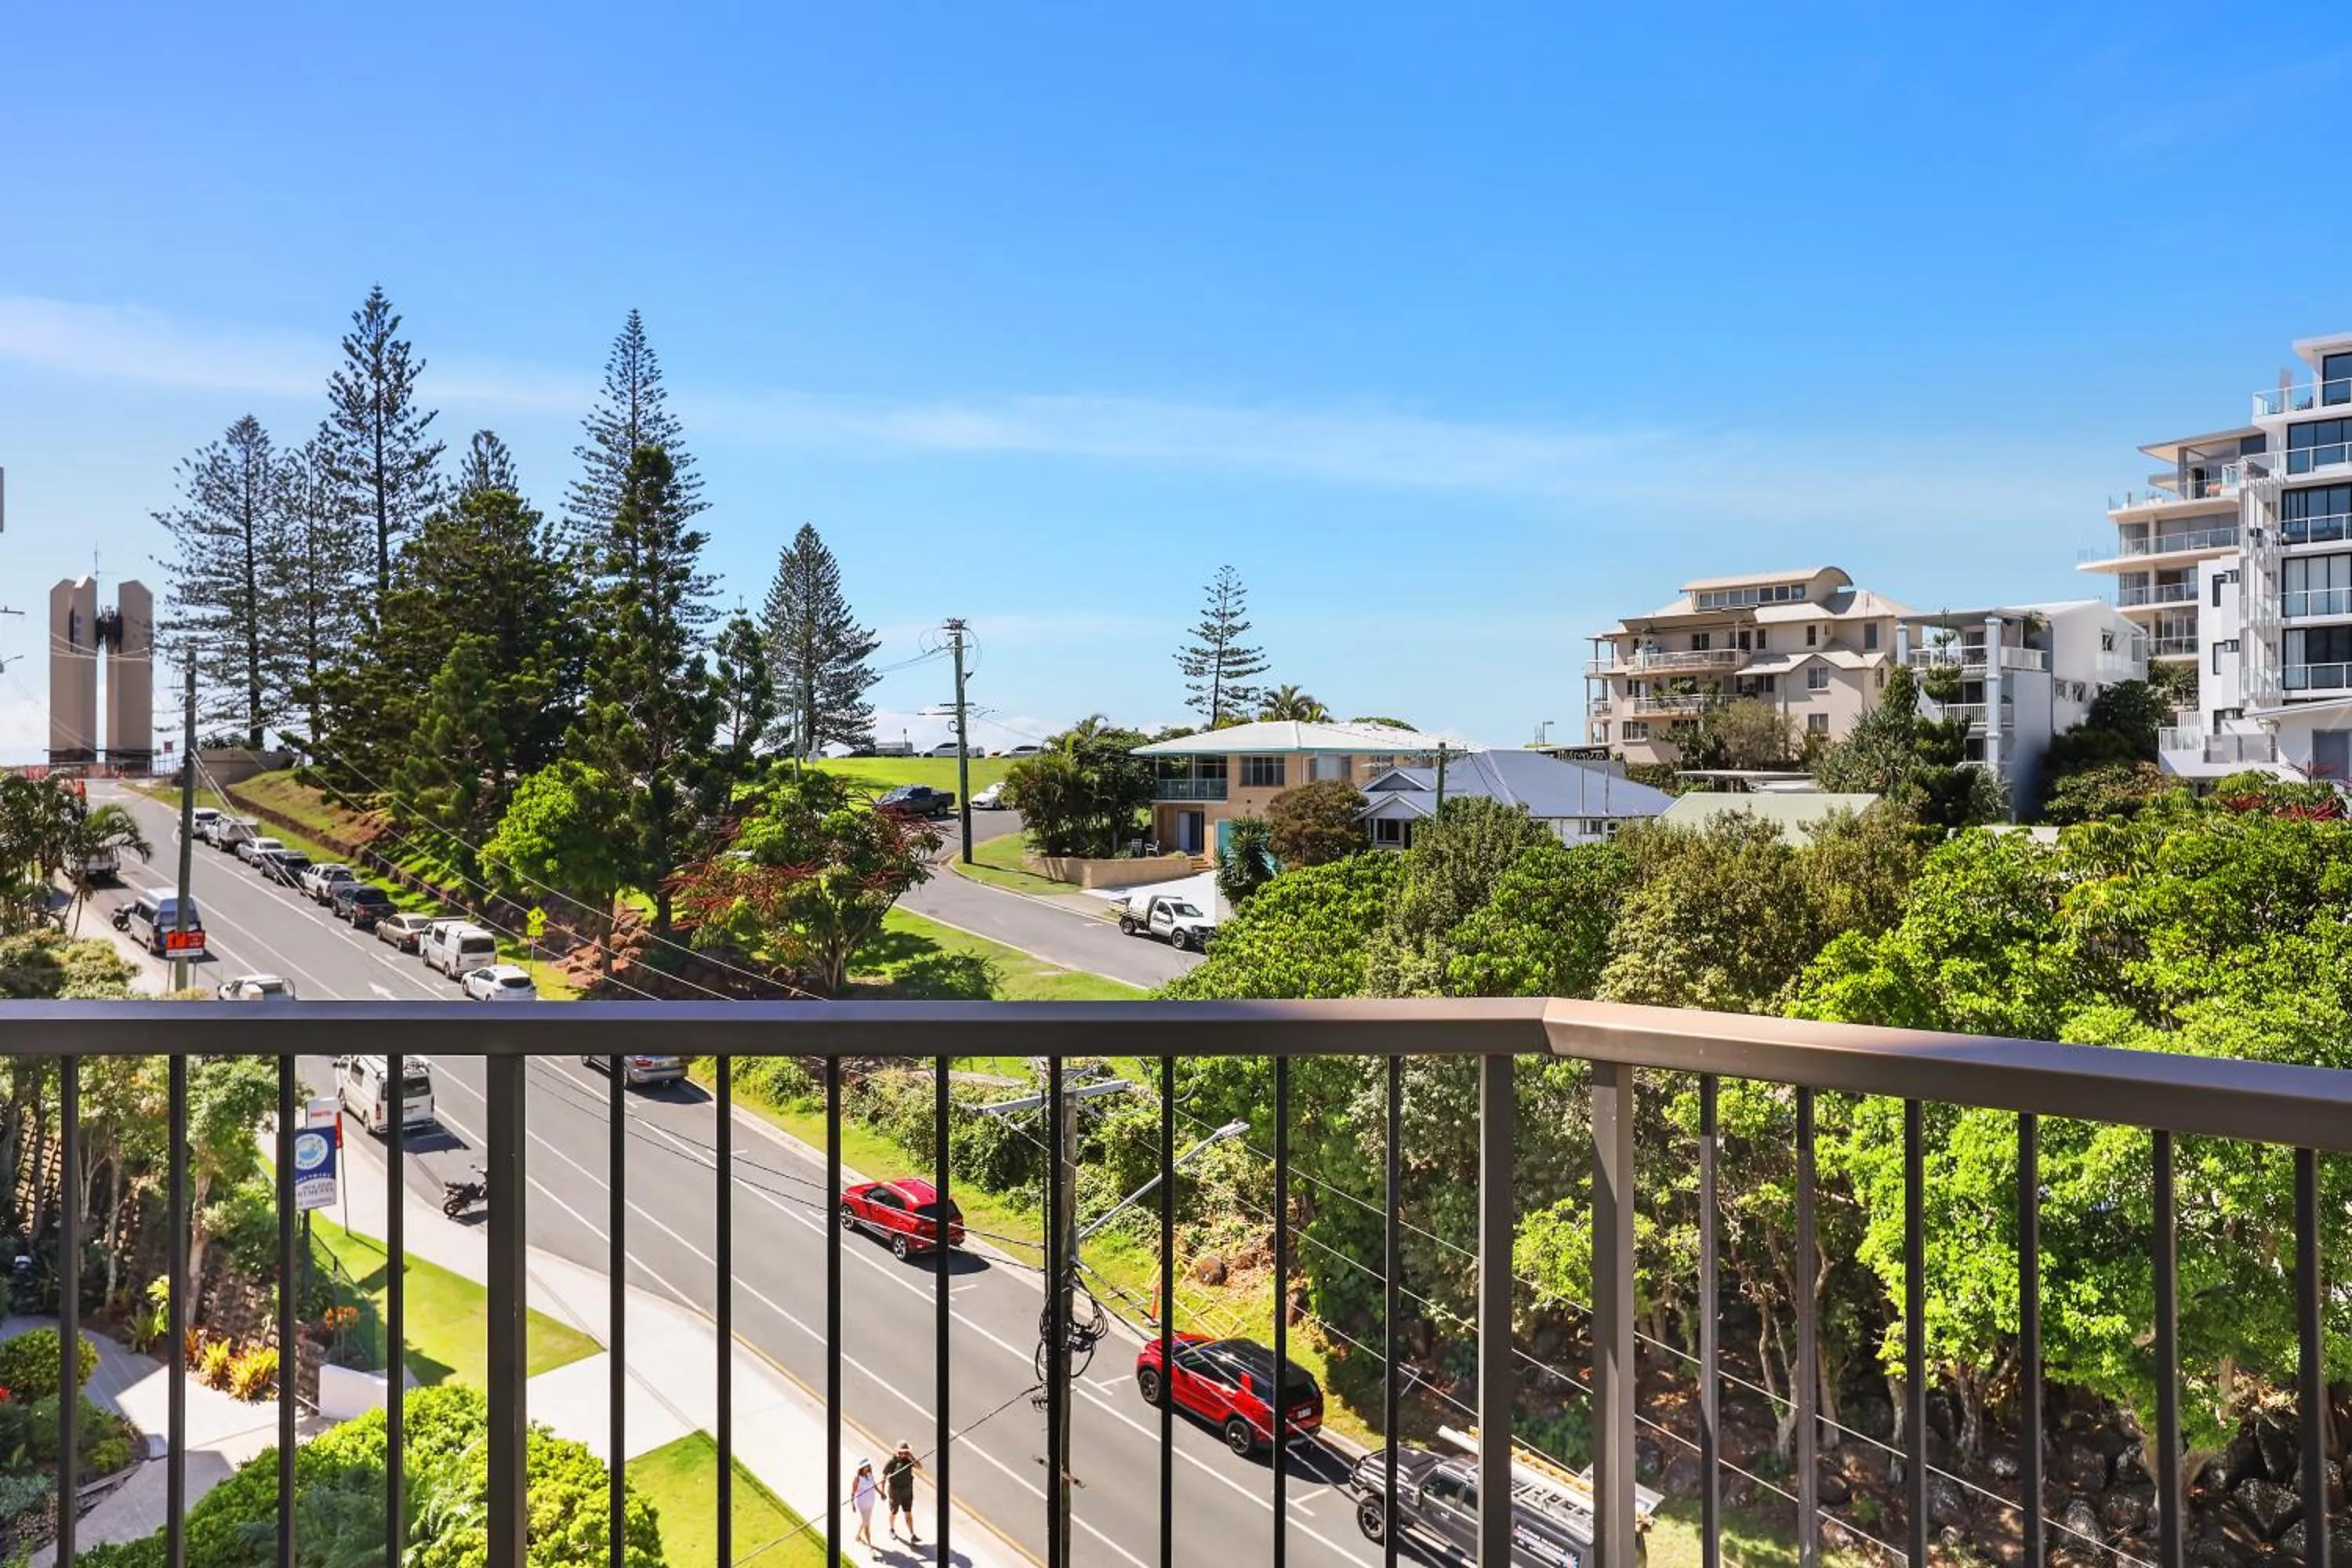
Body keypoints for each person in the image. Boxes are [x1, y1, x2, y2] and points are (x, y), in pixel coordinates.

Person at [882, 1440, 923, 1544]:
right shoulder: (892, 1462)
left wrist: (912, 1458)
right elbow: (884, 1475)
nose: (904, 1454)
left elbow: (920, 1467)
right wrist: (882, 1491)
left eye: (906, 1452)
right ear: (898, 1452)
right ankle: (891, 1529)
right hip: (895, 1492)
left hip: (907, 1491)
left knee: (908, 1513)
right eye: (902, 1452)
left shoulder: (909, 1460)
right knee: (894, 1512)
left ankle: (912, 1534)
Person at [851, 1459, 880, 1558]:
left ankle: (858, 1536)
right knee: (867, 1525)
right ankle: (870, 1546)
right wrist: (853, 1504)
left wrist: (881, 1493)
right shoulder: (857, 1478)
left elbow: (874, 1485)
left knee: (865, 1521)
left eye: (868, 1465)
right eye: (865, 1466)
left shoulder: (870, 1475)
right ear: (861, 1468)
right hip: (862, 1504)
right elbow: (853, 1492)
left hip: (871, 1502)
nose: (867, 1467)